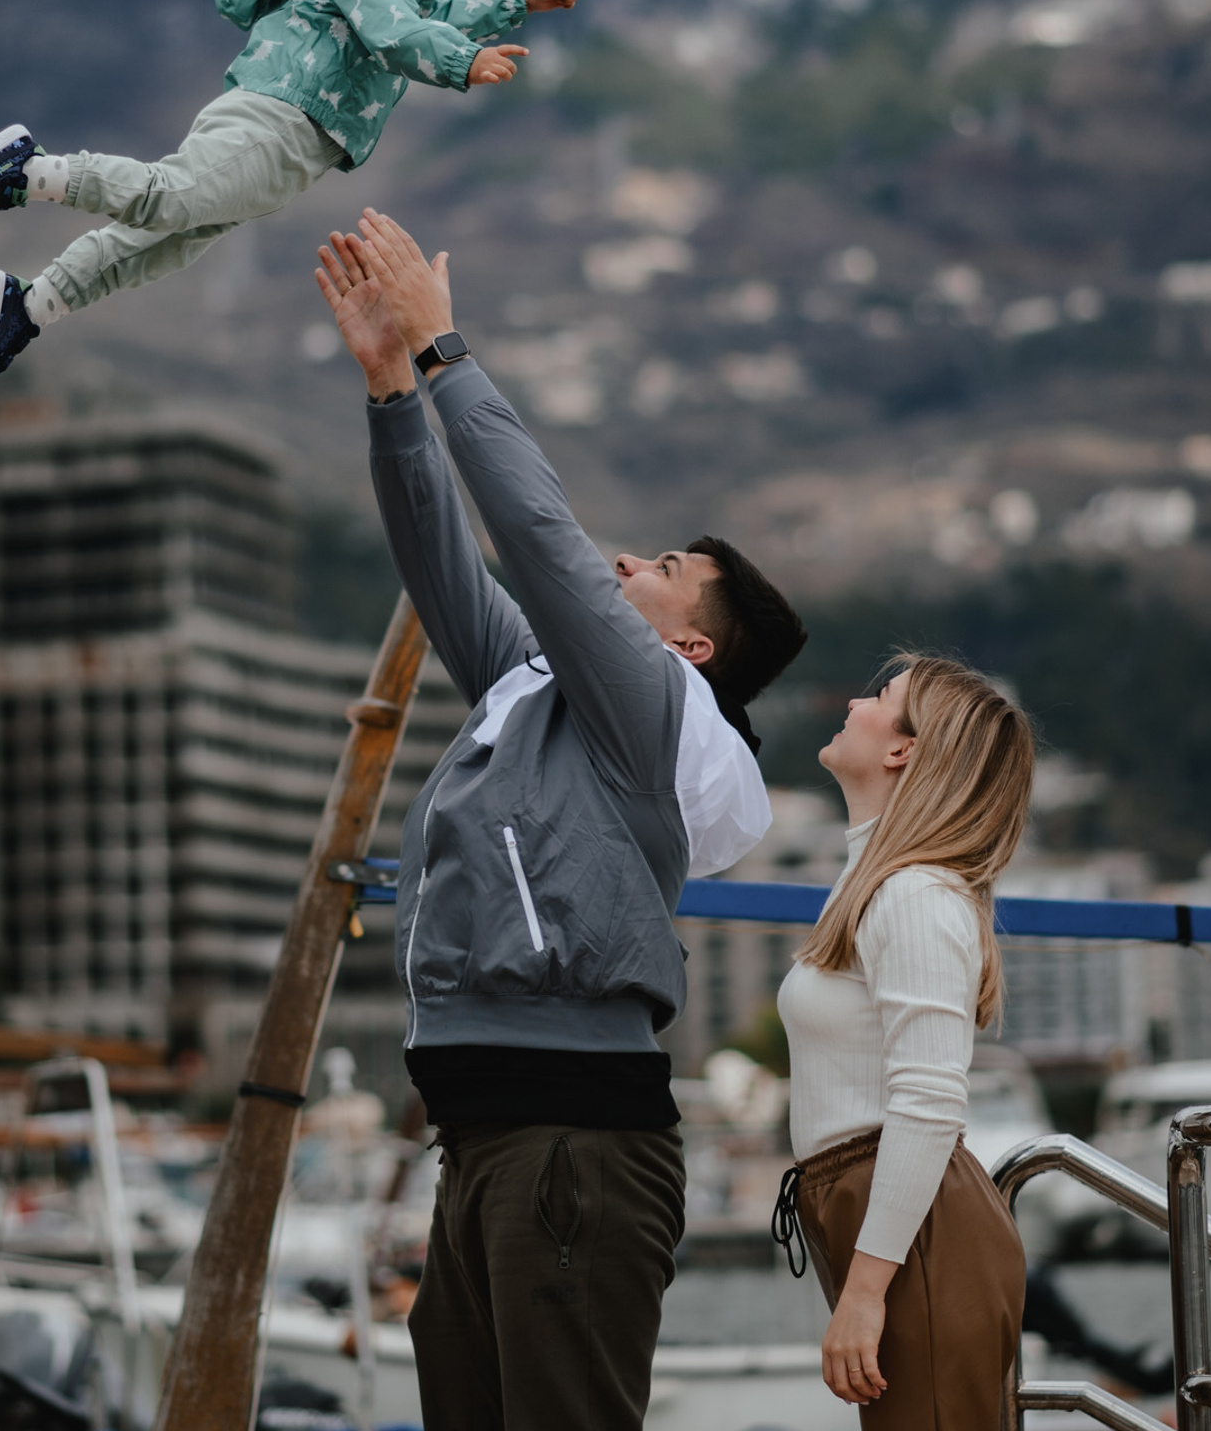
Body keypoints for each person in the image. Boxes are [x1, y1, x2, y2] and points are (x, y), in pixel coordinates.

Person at [315, 209, 807, 1431]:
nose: (624, 561)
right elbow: (447, 568)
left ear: (690, 646)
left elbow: (539, 541)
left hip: (574, 1151)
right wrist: (388, 391)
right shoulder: (543, 686)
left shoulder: (651, 707)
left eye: (657, 571)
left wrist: (445, 353)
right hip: (483, 1144)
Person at [0, 0, 589, 398]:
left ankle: (31, 305)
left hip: (291, 139)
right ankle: (27, 171)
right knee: (171, 199)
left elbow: (426, 16)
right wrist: (459, 63)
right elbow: (396, 33)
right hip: (281, 122)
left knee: (164, 241)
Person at [773, 655, 1034, 1426]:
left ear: (904, 750)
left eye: (880, 696)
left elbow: (927, 1102)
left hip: (912, 1232)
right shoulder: (878, 882)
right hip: (879, 1219)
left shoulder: (915, 894)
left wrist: (863, 1291)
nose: (854, 701)